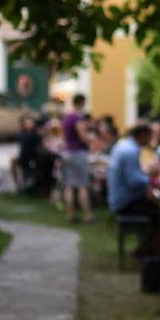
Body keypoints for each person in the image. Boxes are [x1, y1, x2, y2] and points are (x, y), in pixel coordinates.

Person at [108, 123, 160, 254]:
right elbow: (134, 181)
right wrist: (151, 175)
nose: (151, 140)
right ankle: (147, 250)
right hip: (125, 202)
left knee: (158, 209)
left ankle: (146, 247)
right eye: (150, 136)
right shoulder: (131, 150)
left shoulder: (124, 145)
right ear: (142, 135)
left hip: (118, 199)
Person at [62, 94, 93, 223]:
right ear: (81, 103)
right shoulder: (78, 118)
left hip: (68, 152)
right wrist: (89, 140)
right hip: (78, 153)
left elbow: (64, 136)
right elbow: (82, 136)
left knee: (69, 185)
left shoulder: (67, 117)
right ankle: (87, 216)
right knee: (82, 185)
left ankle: (70, 215)